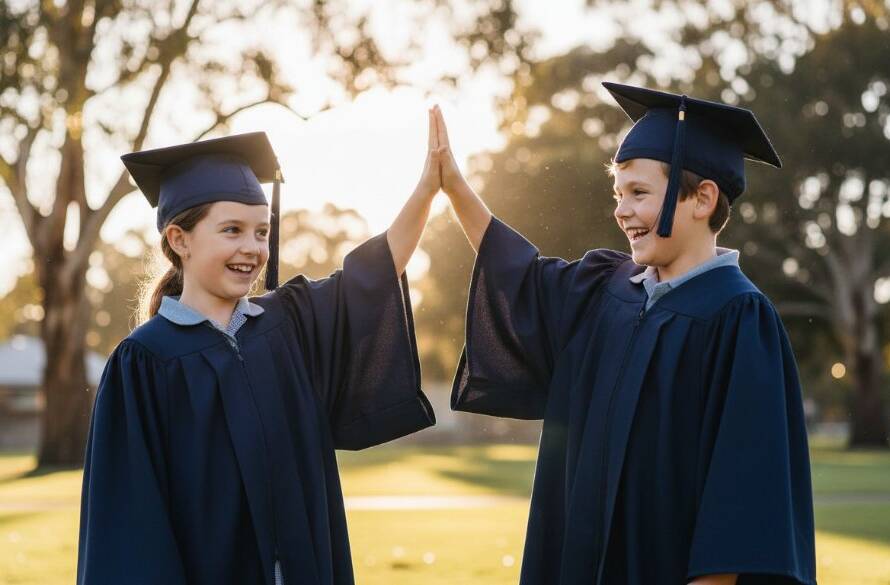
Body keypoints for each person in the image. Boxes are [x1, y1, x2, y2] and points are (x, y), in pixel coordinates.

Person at [434, 82, 816, 585]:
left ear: (703, 199)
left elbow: (739, 504)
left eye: (639, 193)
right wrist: (456, 187)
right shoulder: (605, 291)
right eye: (618, 194)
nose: (620, 210)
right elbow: (519, 276)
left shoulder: (738, 319)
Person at [77, 113, 445, 585]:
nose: (251, 247)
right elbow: (129, 523)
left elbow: (371, 275)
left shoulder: (288, 325)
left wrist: (427, 190)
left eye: (261, 231)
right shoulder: (145, 361)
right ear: (179, 239)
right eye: (231, 230)